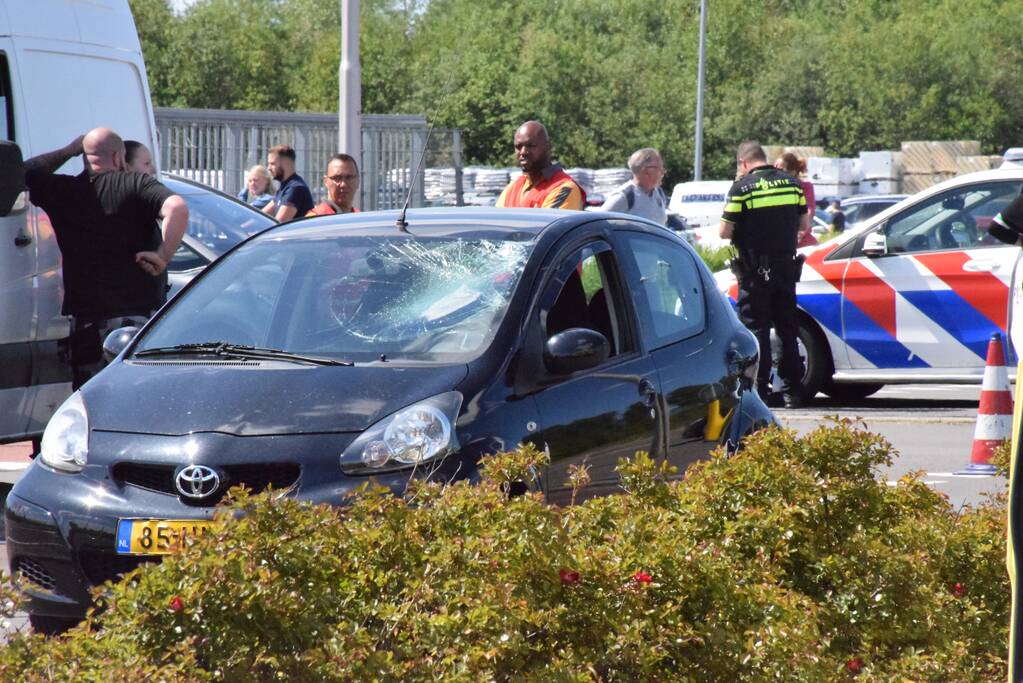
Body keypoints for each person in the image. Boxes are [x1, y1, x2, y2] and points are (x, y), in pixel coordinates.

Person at [23, 127, 189, 389]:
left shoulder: (63, 190)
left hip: (87, 322)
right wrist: (163, 254)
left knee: (93, 398)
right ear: (118, 158)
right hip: (135, 318)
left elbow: (22, 172)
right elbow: (177, 208)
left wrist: (68, 151)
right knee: (136, 395)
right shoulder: (136, 183)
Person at [719, 141, 810, 408]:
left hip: (754, 270)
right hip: (785, 267)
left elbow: (724, 232)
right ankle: (793, 391)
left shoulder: (741, 188)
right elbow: (804, 224)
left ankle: (759, 390)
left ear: (743, 163)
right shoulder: (793, 185)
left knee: (756, 329)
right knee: (787, 327)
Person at [495, 121, 585, 210]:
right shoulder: (511, 189)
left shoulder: (564, 188)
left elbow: (549, 224)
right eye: (518, 147)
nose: (522, 152)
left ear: (548, 146)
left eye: (531, 146)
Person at [600, 148, 668, 224]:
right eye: (660, 167)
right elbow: (598, 223)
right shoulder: (624, 196)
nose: (663, 172)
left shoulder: (659, 193)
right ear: (646, 170)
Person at [774, 153, 817, 247]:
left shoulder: (805, 187)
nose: (775, 173)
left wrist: (801, 232)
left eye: (780, 170)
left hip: (802, 243)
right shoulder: (772, 189)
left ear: (792, 172)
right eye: (774, 169)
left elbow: (809, 211)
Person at [262, 144, 314, 221]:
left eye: (272, 164)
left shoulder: (296, 188)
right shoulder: (284, 187)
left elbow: (279, 224)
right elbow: (261, 215)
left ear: (286, 164)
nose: (268, 168)